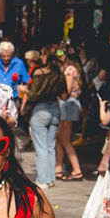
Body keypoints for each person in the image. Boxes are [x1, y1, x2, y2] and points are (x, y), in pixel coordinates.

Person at [25, 45, 65, 187]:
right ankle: (50, 178)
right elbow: (65, 95)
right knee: (50, 146)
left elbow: (33, 95)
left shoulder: (38, 73)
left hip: (40, 109)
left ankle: (43, 180)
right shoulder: (59, 74)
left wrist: (25, 90)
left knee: (41, 147)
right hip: (55, 108)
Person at [56, 51, 85, 180]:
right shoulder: (76, 69)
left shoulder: (69, 70)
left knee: (65, 139)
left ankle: (76, 170)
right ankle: (58, 168)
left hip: (68, 104)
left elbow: (66, 91)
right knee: (59, 138)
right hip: (71, 105)